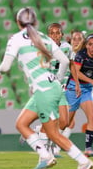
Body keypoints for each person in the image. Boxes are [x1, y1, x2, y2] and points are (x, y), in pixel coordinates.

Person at [0, 7, 93, 169]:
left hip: (42, 90)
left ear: (18, 23)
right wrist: (57, 80)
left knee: (53, 133)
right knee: (22, 123)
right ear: (35, 22)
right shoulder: (44, 38)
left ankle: (82, 161)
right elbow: (64, 60)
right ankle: (43, 156)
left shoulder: (16, 39)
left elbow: (5, 66)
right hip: (54, 86)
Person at [34, 23, 81, 157]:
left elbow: (72, 64)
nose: (55, 35)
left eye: (57, 32)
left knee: (65, 122)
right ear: (48, 35)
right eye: (52, 33)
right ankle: (48, 151)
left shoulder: (67, 48)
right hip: (49, 89)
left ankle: (39, 131)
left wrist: (76, 83)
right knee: (52, 119)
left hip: (63, 89)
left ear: (62, 35)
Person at [65, 33, 93, 157]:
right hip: (74, 87)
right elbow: (76, 73)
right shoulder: (81, 55)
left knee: (92, 117)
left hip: (87, 90)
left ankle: (88, 148)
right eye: (90, 44)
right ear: (86, 45)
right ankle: (42, 131)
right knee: (66, 123)